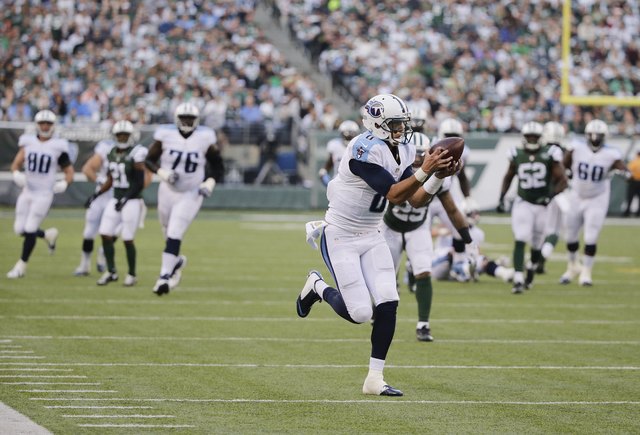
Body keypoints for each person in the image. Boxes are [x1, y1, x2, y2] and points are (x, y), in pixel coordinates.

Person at [297, 94, 455, 397]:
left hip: (372, 233)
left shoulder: (404, 148)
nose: (401, 130)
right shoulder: (362, 149)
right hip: (340, 234)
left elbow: (415, 199)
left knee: (388, 299)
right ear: (377, 123)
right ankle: (317, 286)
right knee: (359, 313)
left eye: (402, 124)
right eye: (395, 124)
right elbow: (394, 194)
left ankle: (375, 377)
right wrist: (426, 170)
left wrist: (435, 177)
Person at [380, 132, 472, 342]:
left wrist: (466, 236)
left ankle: (423, 324)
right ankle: (381, 312)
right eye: (415, 153)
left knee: (423, 270)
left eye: (423, 153)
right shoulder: (396, 170)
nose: (419, 157)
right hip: (390, 227)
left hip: (418, 227)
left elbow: (452, 209)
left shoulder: (438, 175)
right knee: (386, 276)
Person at [145, 102, 223, 296]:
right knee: (166, 230)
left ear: (196, 120)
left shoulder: (205, 137)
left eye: (191, 118)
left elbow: (218, 165)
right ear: (177, 119)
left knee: (174, 232)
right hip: (167, 190)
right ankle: (176, 261)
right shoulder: (165, 134)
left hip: (191, 192)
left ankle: (164, 276)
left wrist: (209, 182)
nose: (187, 122)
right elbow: (148, 160)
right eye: (184, 118)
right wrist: (162, 172)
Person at [497, 121, 568, 294]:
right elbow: (508, 176)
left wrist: (550, 196)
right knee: (521, 238)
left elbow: (563, 180)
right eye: (529, 136)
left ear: (541, 138)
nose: (531, 139)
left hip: (542, 205)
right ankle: (519, 279)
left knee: (537, 245)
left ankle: (531, 268)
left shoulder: (550, 153)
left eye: (534, 137)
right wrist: (501, 197)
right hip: (523, 202)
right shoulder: (517, 154)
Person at [560, 119, 630, 286]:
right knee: (570, 235)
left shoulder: (611, 154)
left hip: (597, 198)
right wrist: (567, 173)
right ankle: (572, 266)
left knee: (591, 236)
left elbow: (623, 169)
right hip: (576, 195)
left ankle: (586, 272)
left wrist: (624, 173)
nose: (595, 138)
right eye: (592, 134)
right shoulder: (577, 147)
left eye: (598, 135)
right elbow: (563, 165)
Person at [7, 109, 74, 278]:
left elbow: (69, 172)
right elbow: (15, 164)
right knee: (19, 229)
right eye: (42, 123)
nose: (45, 126)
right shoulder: (28, 142)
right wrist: (16, 174)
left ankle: (21, 266)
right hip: (27, 191)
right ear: (37, 125)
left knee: (30, 228)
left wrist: (65, 183)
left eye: (48, 123)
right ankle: (47, 234)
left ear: (53, 125)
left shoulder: (58, 146)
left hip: (44, 193)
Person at [85, 120, 148, 287]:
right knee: (105, 233)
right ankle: (111, 271)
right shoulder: (112, 152)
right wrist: (97, 194)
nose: (121, 137)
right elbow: (111, 179)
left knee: (127, 238)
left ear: (130, 136)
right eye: (119, 135)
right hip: (116, 198)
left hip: (132, 200)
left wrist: (126, 198)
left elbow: (139, 182)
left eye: (124, 135)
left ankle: (132, 274)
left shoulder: (137, 152)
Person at [73, 130, 115, 276]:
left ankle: (103, 253)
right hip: (101, 196)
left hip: (118, 196)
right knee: (89, 231)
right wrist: (99, 180)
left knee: (115, 231)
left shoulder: (134, 152)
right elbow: (87, 169)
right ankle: (84, 265)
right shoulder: (106, 148)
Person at [537, 121, 570, 274]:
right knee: (554, 232)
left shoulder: (541, 150)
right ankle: (539, 261)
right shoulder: (565, 151)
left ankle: (538, 260)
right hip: (560, 194)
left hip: (543, 194)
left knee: (544, 231)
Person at [318, 120, 359, 187]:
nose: (348, 136)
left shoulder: (360, 147)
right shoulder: (334, 145)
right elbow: (330, 162)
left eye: (351, 134)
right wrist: (323, 171)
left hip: (355, 184)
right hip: (338, 183)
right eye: (346, 134)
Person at [623, 150, 640, 217]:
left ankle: (627, 212)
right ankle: (638, 213)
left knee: (630, 198)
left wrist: (628, 179)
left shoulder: (633, 162)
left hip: (633, 182)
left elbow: (628, 171)